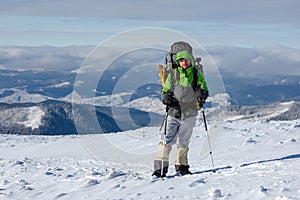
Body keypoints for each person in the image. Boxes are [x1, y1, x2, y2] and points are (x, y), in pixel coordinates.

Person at [153, 46, 209, 178]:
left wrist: (202, 93)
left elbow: (203, 86)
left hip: (189, 113)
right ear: (178, 61)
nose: (184, 63)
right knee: (166, 140)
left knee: (184, 141)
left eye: (186, 60)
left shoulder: (196, 74)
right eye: (181, 61)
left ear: (190, 61)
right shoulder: (173, 74)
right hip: (174, 111)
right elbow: (166, 89)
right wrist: (166, 96)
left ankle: (182, 167)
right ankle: (159, 170)